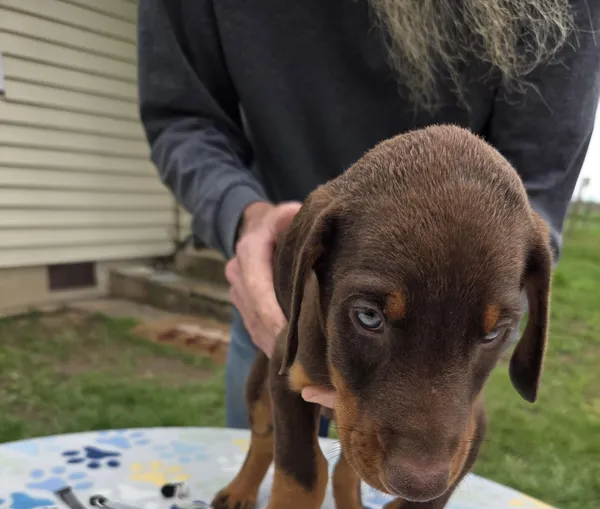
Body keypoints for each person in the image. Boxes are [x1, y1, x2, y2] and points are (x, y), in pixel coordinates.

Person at [138, 0, 599, 427]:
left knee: (402, 472)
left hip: (453, 317)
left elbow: (535, 182)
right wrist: (242, 214)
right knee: (271, 434)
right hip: (284, 284)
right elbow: (185, 115)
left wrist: (474, 334)